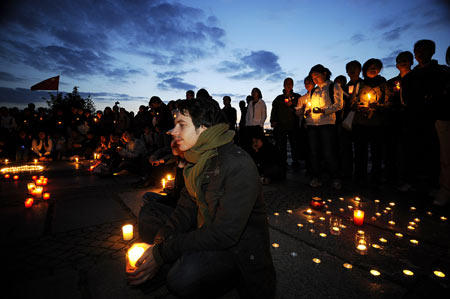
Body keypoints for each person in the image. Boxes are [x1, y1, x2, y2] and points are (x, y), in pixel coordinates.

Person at [127, 97, 276, 299]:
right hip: (204, 229)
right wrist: (159, 245)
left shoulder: (237, 164)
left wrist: (162, 252)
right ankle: (158, 268)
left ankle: (221, 280)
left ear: (204, 128)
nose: (172, 131)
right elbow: (184, 210)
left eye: (181, 125)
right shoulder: (195, 161)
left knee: (182, 278)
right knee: (149, 213)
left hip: (235, 251)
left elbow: (224, 234)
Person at [297, 64, 343, 189]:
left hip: (327, 124)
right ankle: (316, 177)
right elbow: (307, 107)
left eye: (316, 75)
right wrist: (306, 112)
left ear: (324, 73)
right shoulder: (313, 91)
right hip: (312, 125)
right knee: (313, 152)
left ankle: (335, 177)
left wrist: (323, 110)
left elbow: (339, 105)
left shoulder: (334, 86)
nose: (315, 79)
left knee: (328, 152)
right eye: (313, 77)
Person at [352, 58, 389, 185]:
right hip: (361, 123)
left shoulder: (384, 84)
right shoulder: (359, 85)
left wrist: (378, 106)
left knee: (376, 153)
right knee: (360, 152)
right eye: (370, 67)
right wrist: (358, 107)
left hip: (377, 124)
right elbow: (352, 103)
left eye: (376, 67)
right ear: (365, 70)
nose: (373, 70)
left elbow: (389, 103)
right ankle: (360, 176)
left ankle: (375, 178)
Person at [270, 78, 301, 167]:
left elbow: (301, 107)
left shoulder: (297, 96)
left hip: (293, 124)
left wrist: (292, 104)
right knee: (281, 144)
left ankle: (296, 161)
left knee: (294, 143)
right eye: (287, 83)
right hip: (280, 125)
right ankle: (282, 161)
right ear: (283, 85)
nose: (288, 85)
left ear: (293, 85)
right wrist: (273, 120)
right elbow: (274, 110)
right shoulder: (278, 98)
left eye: (290, 83)